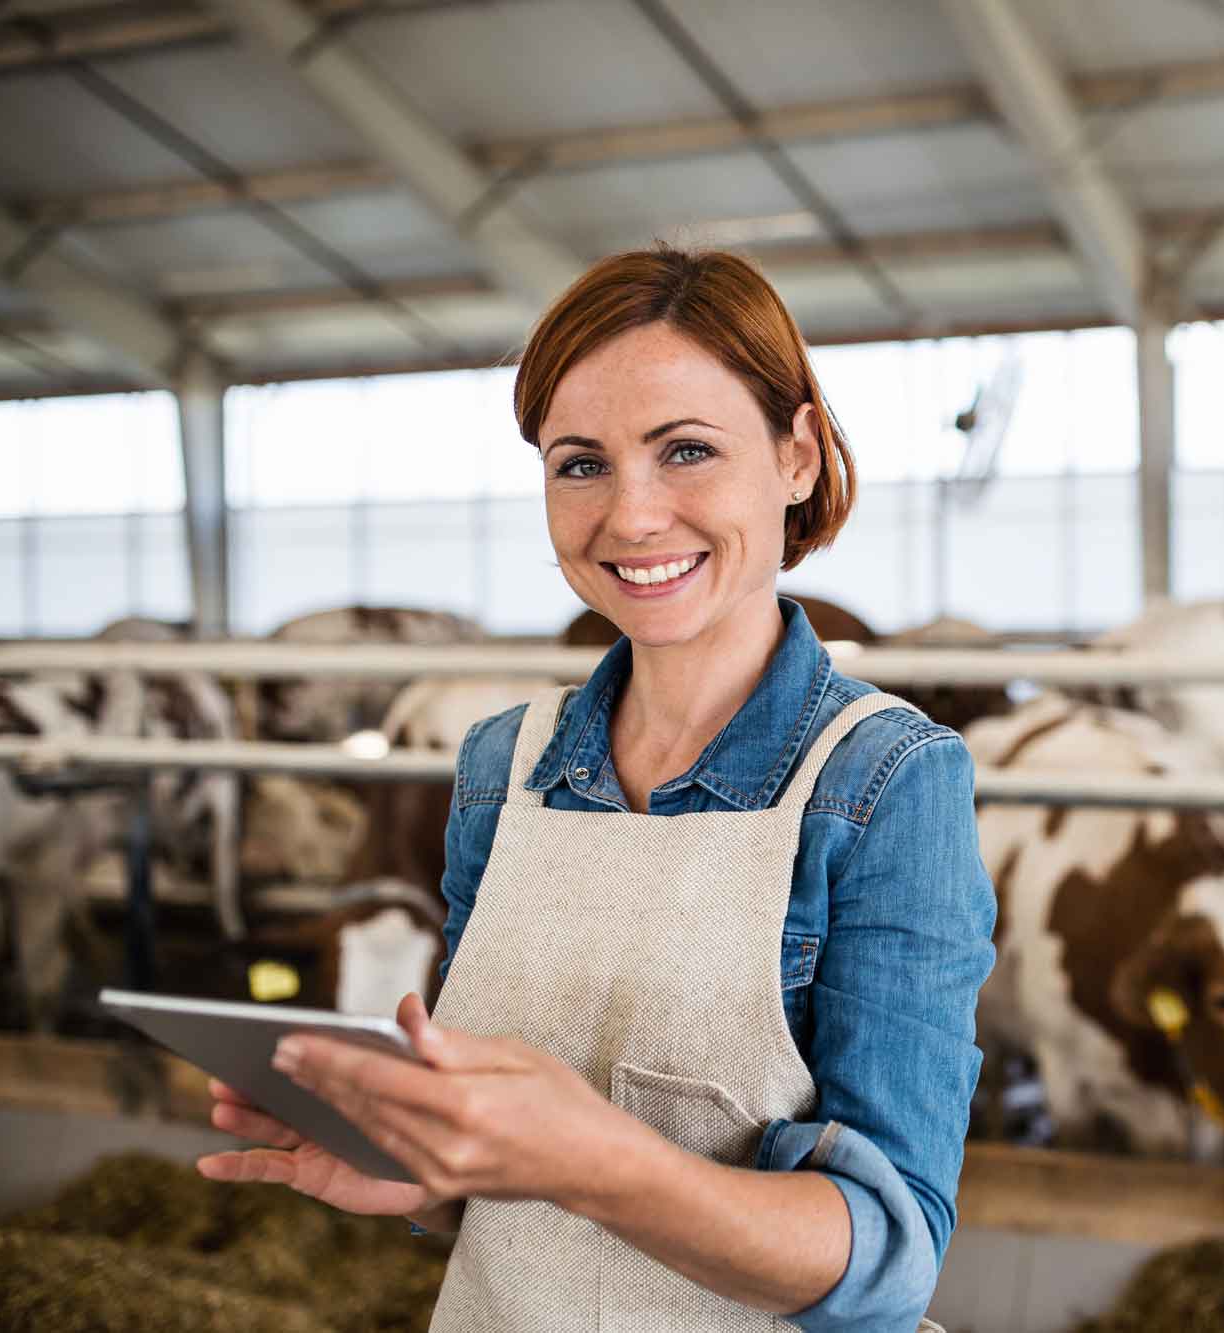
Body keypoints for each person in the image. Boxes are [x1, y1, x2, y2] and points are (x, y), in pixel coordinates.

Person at [196, 245, 998, 1333]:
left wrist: (596, 1163)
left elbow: (887, 1261)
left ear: (797, 453)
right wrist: (416, 1173)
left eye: (686, 451)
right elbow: (494, 1170)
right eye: (580, 463)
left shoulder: (883, 780)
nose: (630, 516)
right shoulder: (500, 766)